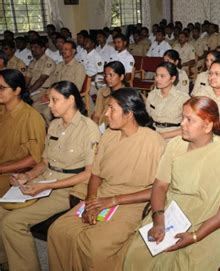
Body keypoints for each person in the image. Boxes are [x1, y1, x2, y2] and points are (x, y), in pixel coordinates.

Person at [47, 88, 166, 271]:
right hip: (103, 195)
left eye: (111, 109)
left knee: (95, 245)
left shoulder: (154, 142)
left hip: (132, 202)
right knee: (58, 231)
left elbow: (158, 190)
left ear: (129, 113)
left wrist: (113, 201)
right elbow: (96, 174)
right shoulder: (109, 135)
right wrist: (90, 202)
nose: (105, 114)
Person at [124, 96, 220, 270]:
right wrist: (159, 219)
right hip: (174, 212)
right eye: (182, 118)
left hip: (214, 220)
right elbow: (160, 186)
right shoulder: (175, 145)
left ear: (208, 125)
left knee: (192, 263)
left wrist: (196, 236)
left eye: (189, 120)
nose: (182, 124)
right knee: (138, 255)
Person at [0, 81, 100, 271]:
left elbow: (89, 173)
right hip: (43, 181)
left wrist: (47, 186)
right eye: (50, 100)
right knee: (1, 212)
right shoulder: (54, 125)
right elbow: (45, 162)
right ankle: (7, 261)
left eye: (54, 100)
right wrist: (27, 176)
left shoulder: (89, 129)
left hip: (66, 188)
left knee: (13, 222)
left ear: (70, 100)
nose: (50, 105)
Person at [0, 69, 45, 196]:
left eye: (2, 88)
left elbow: (35, 159)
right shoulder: (2, 109)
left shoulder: (31, 118)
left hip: (12, 173)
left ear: (17, 91)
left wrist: (2, 169)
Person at [146, 62, 189, 139]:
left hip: (174, 136)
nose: (157, 79)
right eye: (156, 75)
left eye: (162, 76)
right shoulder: (152, 95)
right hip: (154, 133)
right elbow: (146, 117)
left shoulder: (182, 98)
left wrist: (163, 135)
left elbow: (188, 126)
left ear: (172, 79)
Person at [92, 61, 127, 128]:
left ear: (121, 77)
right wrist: (95, 126)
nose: (107, 78)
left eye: (111, 75)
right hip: (101, 127)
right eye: (106, 75)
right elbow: (97, 114)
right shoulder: (102, 92)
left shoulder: (126, 96)